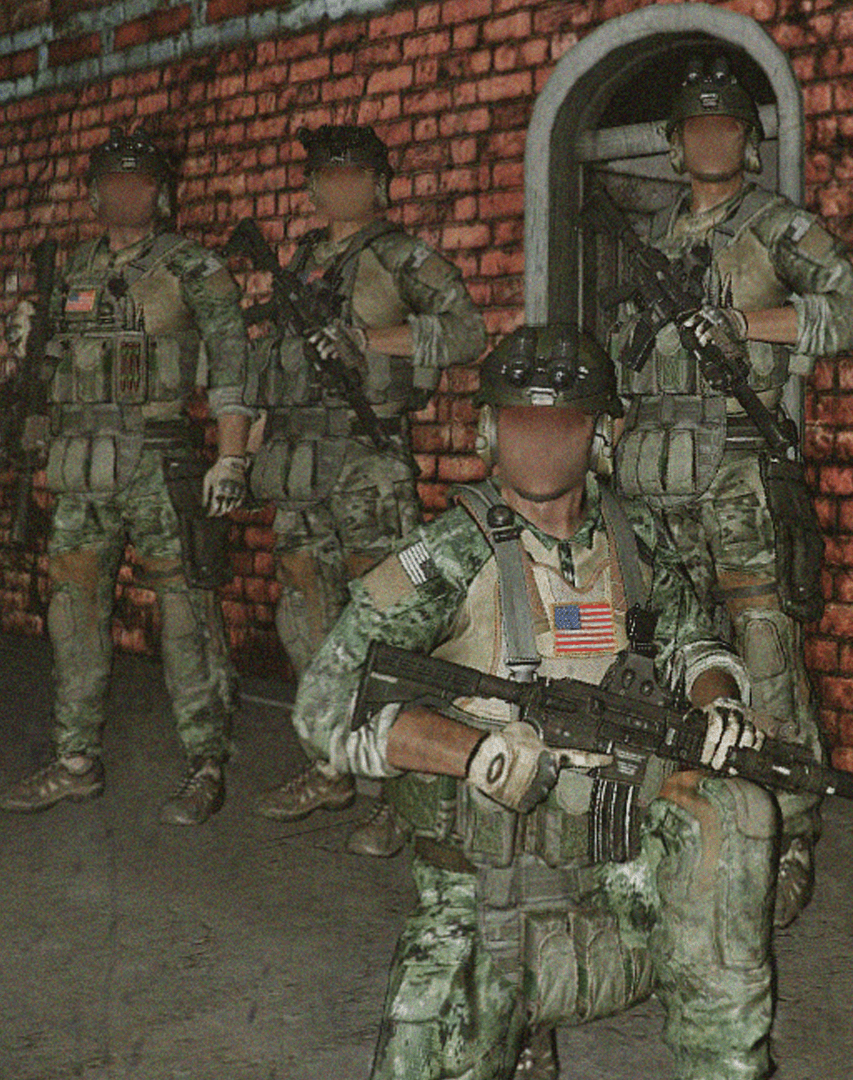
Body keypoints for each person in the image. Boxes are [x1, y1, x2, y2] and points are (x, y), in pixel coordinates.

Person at [290, 325, 775, 1080]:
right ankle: (512, 1028)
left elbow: (695, 645)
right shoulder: (447, 556)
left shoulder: (636, 541)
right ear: (489, 430)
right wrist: (473, 751)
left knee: (737, 812)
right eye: (520, 424)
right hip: (483, 891)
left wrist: (719, 705)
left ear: (600, 434)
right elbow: (323, 704)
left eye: (561, 425)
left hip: (623, 869)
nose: (538, 444)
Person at [607, 55, 853, 928]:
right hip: (652, 477)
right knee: (666, 652)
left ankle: (790, 835)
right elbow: (624, 355)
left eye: (725, 127)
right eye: (696, 128)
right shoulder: (652, 237)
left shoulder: (777, 227)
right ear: (676, 143)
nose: (710, 140)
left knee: (765, 658)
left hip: (737, 472)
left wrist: (747, 323)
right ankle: (682, 816)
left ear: (748, 143)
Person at [0, 129, 252, 826]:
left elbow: (233, 369)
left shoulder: (193, 268)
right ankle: (76, 761)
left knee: (186, 619)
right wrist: (26, 337)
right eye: (111, 184)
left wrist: (231, 458)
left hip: (159, 461)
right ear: (92, 195)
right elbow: (46, 365)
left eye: (137, 184)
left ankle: (205, 764)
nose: (124, 196)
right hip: (80, 466)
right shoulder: (70, 271)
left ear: (160, 195)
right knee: (73, 615)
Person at [246, 124, 486, 858]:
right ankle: (332, 765)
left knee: (387, 619)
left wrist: (370, 341)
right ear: (311, 186)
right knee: (305, 612)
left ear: (379, 184)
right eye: (328, 175)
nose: (340, 187)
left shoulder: (400, 256)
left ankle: (396, 794)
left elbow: (467, 332)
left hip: (367, 459)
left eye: (355, 174)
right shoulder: (300, 263)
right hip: (298, 461)